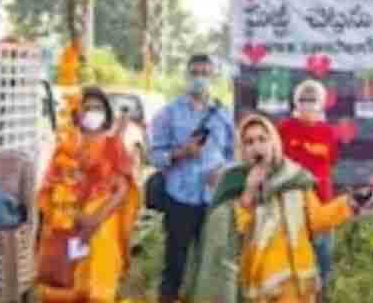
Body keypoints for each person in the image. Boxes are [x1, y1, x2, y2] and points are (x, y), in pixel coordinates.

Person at [182, 113, 368, 303]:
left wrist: (349, 203)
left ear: (274, 142)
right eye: (249, 142)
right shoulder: (233, 183)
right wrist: (249, 191)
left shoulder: (295, 178)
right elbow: (230, 235)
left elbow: (316, 221)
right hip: (261, 286)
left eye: (262, 139)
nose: (257, 146)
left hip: (299, 286)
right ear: (242, 150)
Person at [36, 87, 140, 303]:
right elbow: (50, 189)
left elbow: (122, 189)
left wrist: (95, 220)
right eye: (88, 108)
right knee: (68, 286)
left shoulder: (113, 146)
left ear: (106, 113)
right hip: (69, 228)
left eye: (98, 108)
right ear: (78, 113)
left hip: (103, 227)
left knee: (99, 289)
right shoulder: (65, 149)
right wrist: (75, 217)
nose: (93, 112)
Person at [148, 54, 235, 303]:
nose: (200, 79)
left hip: (214, 199)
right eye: (195, 73)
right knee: (175, 261)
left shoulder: (223, 114)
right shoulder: (169, 112)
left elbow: (232, 154)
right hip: (180, 197)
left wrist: (223, 172)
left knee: (213, 264)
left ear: (214, 77)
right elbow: (154, 155)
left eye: (205, 73)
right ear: (187, 76)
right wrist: (180, 153)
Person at [276, 80, 340, 289]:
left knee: (323, 255)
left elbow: (331, 161)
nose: (308, 104)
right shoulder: (284, 128)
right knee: (291, 254)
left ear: (322, 102)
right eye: (303, 99)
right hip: (290, 201)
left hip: (321, 203)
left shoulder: (328, 132)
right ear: (295, 102)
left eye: (313, 99)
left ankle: (322, 294)